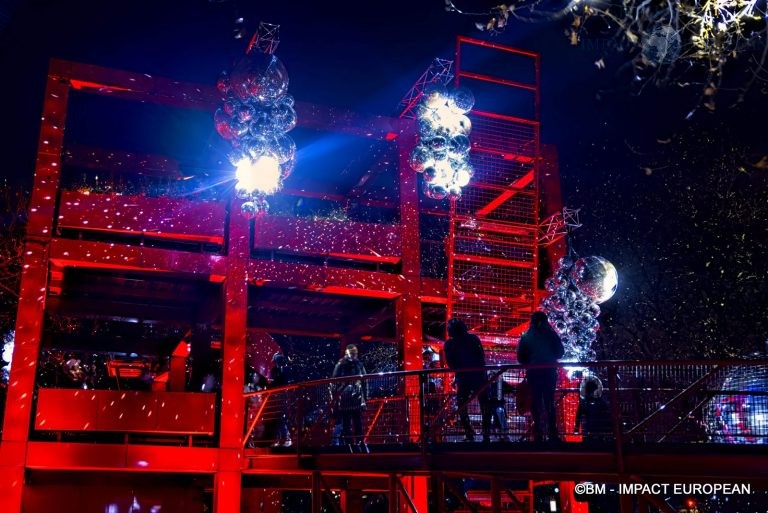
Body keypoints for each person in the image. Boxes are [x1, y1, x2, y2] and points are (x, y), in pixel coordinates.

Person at [516, 311, 565, 442]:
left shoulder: (526, 336)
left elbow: (520, 358)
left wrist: (531, 360)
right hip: (549, 371)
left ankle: (538, 431)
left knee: (536, 400)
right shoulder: (552, 334)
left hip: (534, 372)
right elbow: (560, 352)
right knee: (549, 401)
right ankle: (553, 432)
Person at [443, 318, 492, 442]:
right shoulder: (473, 339)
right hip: (479, 376)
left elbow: (451, 363)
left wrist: (460, 371)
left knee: (462, 405)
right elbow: (481, 356)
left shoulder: (449, 344)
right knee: (485, 404)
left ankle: (469, 432)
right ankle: (486, 434)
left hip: (463, 377)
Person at [331, 344, 367, 448]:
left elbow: (365, 381)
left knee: (357, 422)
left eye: (355, 353)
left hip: (355, 397)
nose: (353, 355)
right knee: (347, 423)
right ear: (347, 353)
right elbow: (334, 380)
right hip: (345, 398)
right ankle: (349, 444)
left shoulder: (359, 364)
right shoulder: (341, 364)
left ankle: (359, 442)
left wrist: (364, 399)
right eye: (352, 353)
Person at [574, 376, 611, 443]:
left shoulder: (585, 402)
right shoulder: (599, 401)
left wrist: (576, 428)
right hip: (595, 430)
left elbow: (578, 415)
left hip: (592, 430)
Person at [269, 352, 293, 447]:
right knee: (278, 417)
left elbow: (283, 381)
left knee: (282, 417)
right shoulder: (275, 370)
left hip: (282, 396)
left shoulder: (285, 370)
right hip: (277, 396)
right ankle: (281, 438)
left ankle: (285, 438)